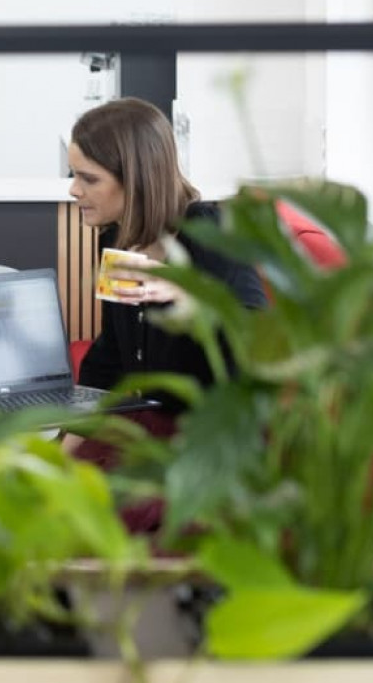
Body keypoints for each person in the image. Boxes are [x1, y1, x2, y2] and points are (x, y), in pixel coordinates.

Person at [60, 98, 268, 531]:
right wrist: (59, 455)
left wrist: (185, 293)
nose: (74, 190)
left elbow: (256, 342)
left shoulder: (212, 235)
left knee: (97, 522)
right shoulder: (117, 241)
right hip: (143, 427)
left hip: (205, 443)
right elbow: (109, 363)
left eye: (88, 178)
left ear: (134, 180)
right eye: (74, 175)